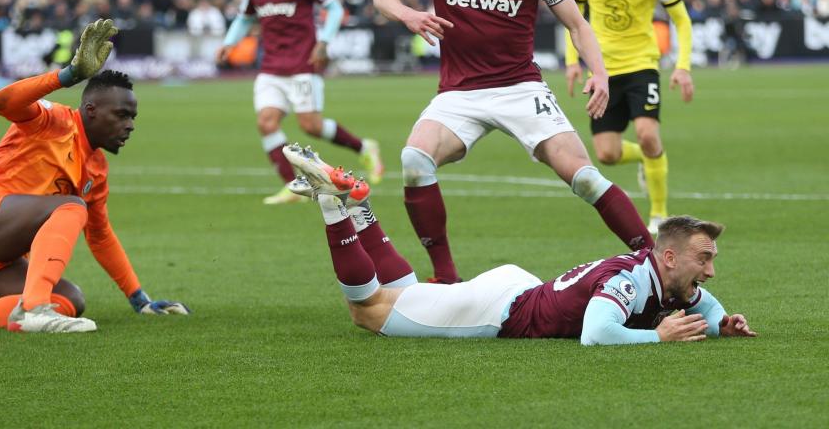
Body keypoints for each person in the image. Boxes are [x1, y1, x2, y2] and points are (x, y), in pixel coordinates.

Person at [372, 0, 652, 284]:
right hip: (459, 93)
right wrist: (410, 15)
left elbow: (578, 25)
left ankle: (653, 261)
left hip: (521, 88)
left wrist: (600, 73)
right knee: (414, 159)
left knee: (584, 178)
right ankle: (446, 276)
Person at [0, 19, 189, 335]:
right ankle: (34, 310)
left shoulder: (97, 169)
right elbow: (2, 101)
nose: (130, 125)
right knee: (70, 207)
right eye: (121, 115)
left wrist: (139, 299)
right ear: (90, 109)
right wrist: (68, 75)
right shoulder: (54, 121)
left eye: (133, 117)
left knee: (69, 299)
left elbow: (100, 236)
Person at [283, 144, 756, 345]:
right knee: (368, 311)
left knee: (400, 296)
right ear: (670, 256)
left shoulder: (668, 277)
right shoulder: (628, 281)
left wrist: (723, 326)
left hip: (518, 290)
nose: (710, 271)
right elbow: (597, 334)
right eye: (704, 259)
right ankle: (334, 204)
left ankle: (360, 205)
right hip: (496, 312)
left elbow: (706, 304)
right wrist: (655, 336)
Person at [216, 0, 384, 205]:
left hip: (303, 62)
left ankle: (364, 146)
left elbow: (333, 8)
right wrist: (229, 42)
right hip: (270, 66)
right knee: (266, 123)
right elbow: (246, 17)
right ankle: (294, 186)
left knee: (311, 126)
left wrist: (324, 41)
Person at [565, 0, 696, 236]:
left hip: (642, 64)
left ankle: (659, 214)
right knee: (606, 154)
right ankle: (646, 159)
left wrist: (682, 66)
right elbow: (573, 16)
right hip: (602, 69)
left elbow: (681, 19)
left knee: (648, 133)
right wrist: (571, 61)